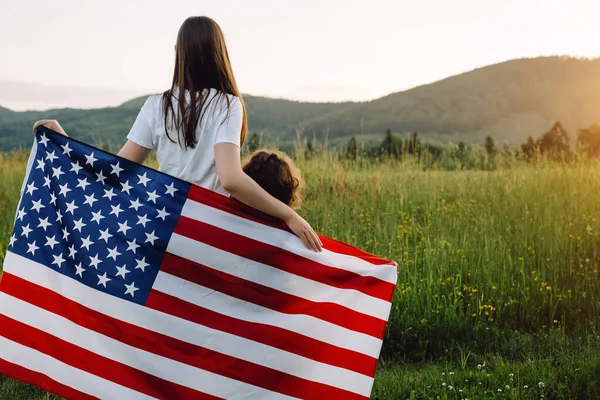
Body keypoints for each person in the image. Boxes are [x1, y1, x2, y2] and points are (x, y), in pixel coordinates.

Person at [33, 16, 322, 251]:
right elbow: (231, 179)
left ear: (180, 55)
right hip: (209, 231)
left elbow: (114, 171)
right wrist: (288, 214)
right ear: (218, 53)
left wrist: (64, 142)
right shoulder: (227, 105)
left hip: (161, 227)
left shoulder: (156, 105)